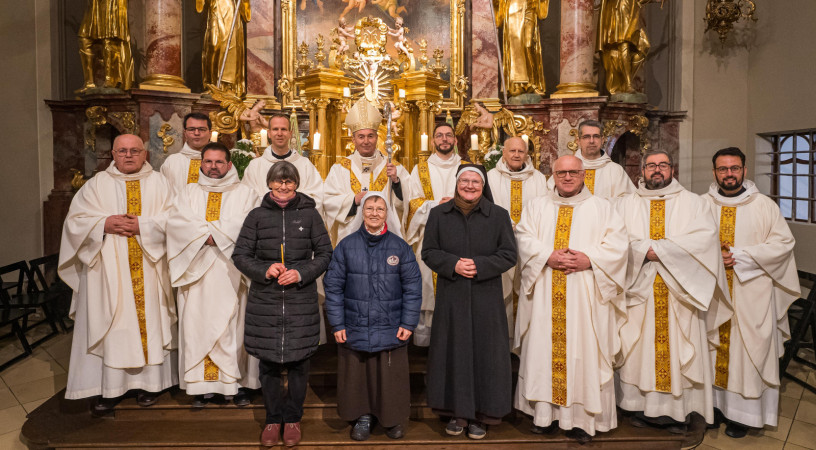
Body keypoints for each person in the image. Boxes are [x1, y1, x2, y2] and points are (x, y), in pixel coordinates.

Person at [514, 155, 628, 443]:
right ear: (552, 176)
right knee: (543, 350)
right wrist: (546, 256)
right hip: (544, 292)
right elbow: (523, 238)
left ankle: (582, 420)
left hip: (586, 295)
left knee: (584, 351)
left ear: (583, 175)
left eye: (573, 172)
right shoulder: (536, 206)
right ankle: (544, 416)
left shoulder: (603, 208)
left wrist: (590, 259)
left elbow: (618, 246)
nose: (567, 177)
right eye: (561, 172)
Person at [615, 149, 731, 432]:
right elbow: (614, 240)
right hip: (638, 291)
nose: (657, 170)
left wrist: (659, 251)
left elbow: (704, 240)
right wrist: (644, 251)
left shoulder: (694, 203)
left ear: (672, 169)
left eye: (663, 165)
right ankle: (640, 407)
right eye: (651, 165)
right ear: (642, 171)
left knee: (680, 351)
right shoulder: (624, 204)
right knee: (637, 349)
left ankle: (678, 412)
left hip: (681, 292)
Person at [58, 134, 177, 410]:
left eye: (135, 150)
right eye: (122, 151)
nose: (128, 155)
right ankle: (109, 388)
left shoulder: (161, 183)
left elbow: (176, 219)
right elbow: (74, 223)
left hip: (150, 268)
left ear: (145, 154)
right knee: (111, 323)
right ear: (113, 154)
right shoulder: (95, 185)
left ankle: (150, 386)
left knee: (150, 324)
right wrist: (102, 224)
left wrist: (143, 226)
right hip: (106, 271)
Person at [232, 161, 332, 447]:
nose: (284, 186)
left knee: (300, 364)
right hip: (266, 300)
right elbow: (240, 255)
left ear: (296, 184)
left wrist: (301, 273)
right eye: (279, 181)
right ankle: (273, 419)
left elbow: (325, 254)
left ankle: (293, 419)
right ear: (269, 184)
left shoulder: (310, 215)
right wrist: (264, 270)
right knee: (269, 365)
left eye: (289, 181)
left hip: (300, 299)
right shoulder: (256, 216)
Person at [702, 147, 800, 438]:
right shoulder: (702, 205)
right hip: (713, 292)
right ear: (714, 172)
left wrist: (740, 256)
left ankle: (743, 415)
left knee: (748, 353)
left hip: (752, 293)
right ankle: (713, 407)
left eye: (734, 168)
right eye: (723, 169)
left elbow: (783, 244)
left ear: (744, 170)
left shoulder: (764, 206)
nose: (729, 174)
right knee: (712, 348)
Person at [422, 164, 518, 440]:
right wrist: (453, 264)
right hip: (452, 296)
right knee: (454, 352)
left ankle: (482, 415)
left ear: (483, 185)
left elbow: (509, 254)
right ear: (456, 184)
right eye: (464, 181)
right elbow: (429, 251)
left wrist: (480, 265)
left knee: (486, 354)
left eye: (475, 182)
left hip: (486, 296)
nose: (469, 186)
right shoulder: (438, 214)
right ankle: (457, 413)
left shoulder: (498, 215)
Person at [167, 142, 261, 408]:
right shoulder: (187, 192)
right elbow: (177, 222)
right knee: (196, 327)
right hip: (195, 272)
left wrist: (213, 235)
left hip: (231, 272)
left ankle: (236, 385)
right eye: (208, 161)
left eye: (219, 162)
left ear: (229, 164)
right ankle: (201, 388)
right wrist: (209, 236)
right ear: (201, 164)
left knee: (233, 327)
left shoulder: (246, 193)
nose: (213, 167)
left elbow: (249, 222)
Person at [324, 191, 422, 441]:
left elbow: (413, 289)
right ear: (362, 213)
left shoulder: (400, 247)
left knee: (390, 377)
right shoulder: (346, 246)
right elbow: (333, 288)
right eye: (369, 209)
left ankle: (392, 418)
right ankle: (362, 416)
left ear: (387, 214)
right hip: (355, 324)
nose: (374, 213)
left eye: (380, 209)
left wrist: (408, 322)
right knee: (358, 376)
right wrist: (337, 324)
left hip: (391, 325)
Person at [403, 123, 463, 346]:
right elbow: (412, 204)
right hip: (430, 236)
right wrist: (437, 205)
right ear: (433, 141)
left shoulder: (467, 167)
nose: (444, 139)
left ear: (455, 140)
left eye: (448, 135)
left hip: (462, 237)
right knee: (427, 287)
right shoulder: (420, 169)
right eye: (439, 135)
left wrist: (458, 204)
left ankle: (457, 338)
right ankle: (427, 343)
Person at [324, 97, 411, 244]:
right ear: (353, 139)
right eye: (361, 137)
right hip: (350, 237)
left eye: (370, 136)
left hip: (385, 237)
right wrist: (353, 201)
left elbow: (408, 202)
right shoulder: (339, 169)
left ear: (377, 138)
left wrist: (396, 182)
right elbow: (328, 201)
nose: (366, 141)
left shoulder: (392, 167)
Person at [487, 136, 549, 339]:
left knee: (527, 291)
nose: (516, 155)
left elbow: (545, 209)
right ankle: (501, 341)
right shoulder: (490, 177)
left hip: (530, 245)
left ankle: (525, 342)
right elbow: (486, 209)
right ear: (503, 153)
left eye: (520, 151)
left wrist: (523, 227)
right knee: (501, 292)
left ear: (527, 154)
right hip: (498, 244)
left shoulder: (538, 179)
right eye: (512, 151)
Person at [242, 113, 324, 211]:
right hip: (265, 218)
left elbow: (317, 196)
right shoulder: (255, 166)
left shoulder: (305, 164)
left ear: (290, 133)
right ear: (269, 133)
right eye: (275, 129)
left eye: (284, 129)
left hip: (297, 218)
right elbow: (246, 198)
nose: (279, 133)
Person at [548, 120, 634, 198]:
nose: (591, 141)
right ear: (578, 141)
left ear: (602, 140)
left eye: (596, 136)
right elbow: (550, 198)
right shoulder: (565, 167)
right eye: (586, 137)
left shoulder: (615, 170)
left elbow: (627, 202)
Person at [76, 0, 133, 93]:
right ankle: (89, 83)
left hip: (111, 3)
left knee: (108, 40)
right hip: (94, 4)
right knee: (83, 39)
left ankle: (110, 80)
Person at [494, 0, 549, 96]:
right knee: (516, 45)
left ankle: (532, 83)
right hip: (514, 7)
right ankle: (518, 84)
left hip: (530, 6)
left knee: (529, 46)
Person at [198, 0, 251, 97]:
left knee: (231, 45)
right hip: (215, 7)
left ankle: (228, 86)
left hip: (230, 8)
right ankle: (212, 84)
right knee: (214, 45)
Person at [161, 112, 212, 196]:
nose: (196, 133)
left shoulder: (220, 161)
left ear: (210, 133)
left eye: (202, 129)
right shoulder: (172, 162)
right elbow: (164, 193)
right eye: (191, 129)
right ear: (185, 133)